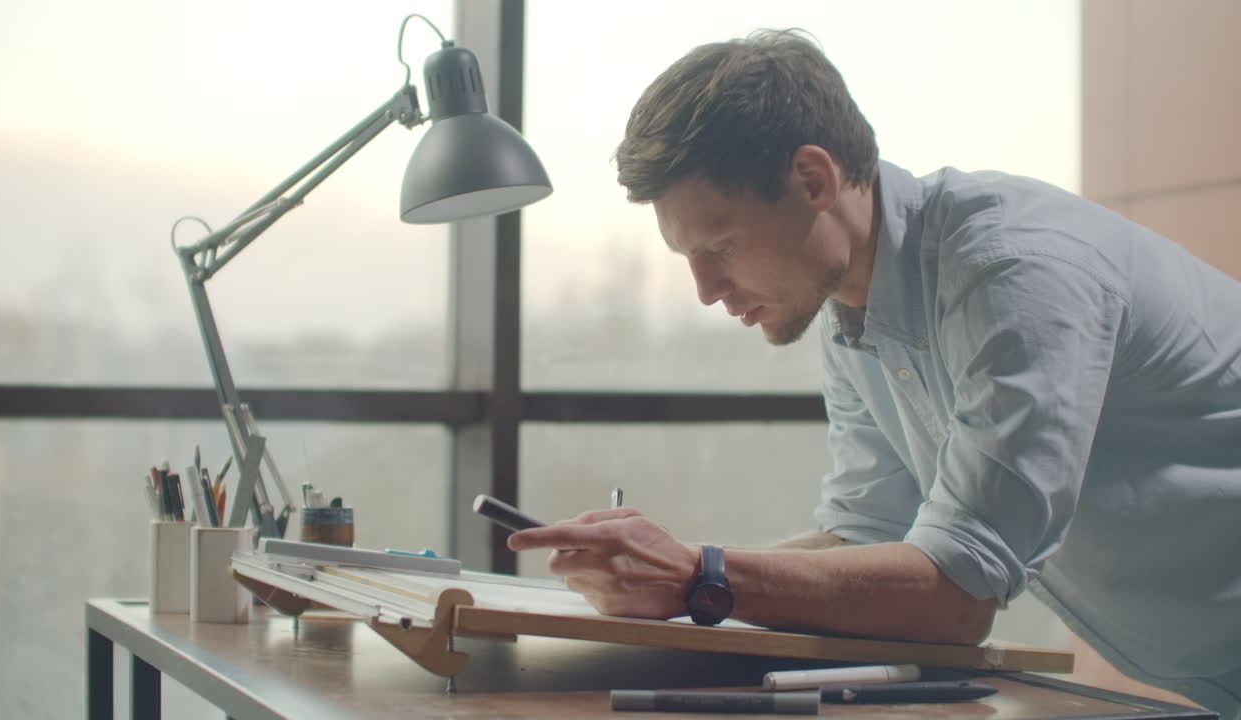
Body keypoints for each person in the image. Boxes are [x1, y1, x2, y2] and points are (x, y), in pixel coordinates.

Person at [506, 29, 1241, 717]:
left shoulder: (1012, 275)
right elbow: (867, 537)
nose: (706, 290)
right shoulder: (852, 311)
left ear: (813, 178)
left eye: (721, 247)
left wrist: (701, 576)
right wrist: (667, 571)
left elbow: (954, 595)